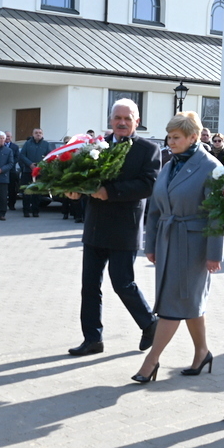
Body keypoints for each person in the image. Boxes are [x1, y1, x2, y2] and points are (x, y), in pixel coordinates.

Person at [131, 112, 224, 382]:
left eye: (176, 137)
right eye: (168, 137)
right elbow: (155, 208)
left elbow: (217, 214)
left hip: (194, 246)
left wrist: (214, 254)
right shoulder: (170, 164)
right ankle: (202, 352)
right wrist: (151, 244)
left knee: (172, 305)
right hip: (167, 241)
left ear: (193, 137)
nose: (170, 142)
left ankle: (151, 361)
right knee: (188, 302)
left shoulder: (211, 166)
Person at [66, 99, 162, 356]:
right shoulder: (97, 145)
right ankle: (92, 339)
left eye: (127, 118)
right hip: (95, 226)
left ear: (137, 122)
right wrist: (75, 192)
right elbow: (84, 177)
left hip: (124, 228)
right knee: (89, 285)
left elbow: (148, 185)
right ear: (110, 120)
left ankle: (150, 323)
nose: (122, 122)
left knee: (122, 283)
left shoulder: (148, 149)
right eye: (117, 118)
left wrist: (110, 191)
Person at [19, 128, 51, 218]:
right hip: (28, 171)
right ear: (33, 134)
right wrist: (30, 164)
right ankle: (26, 211)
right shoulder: (27, 143)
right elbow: (22, 155)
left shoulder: (46, 144)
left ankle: (35, 211)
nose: (38, 134)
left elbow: (49, 156)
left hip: (39, 172)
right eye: (36, 133)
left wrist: (40, 165)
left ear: (42, 134)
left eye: (40, 133)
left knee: (37, 193)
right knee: (27, 192)